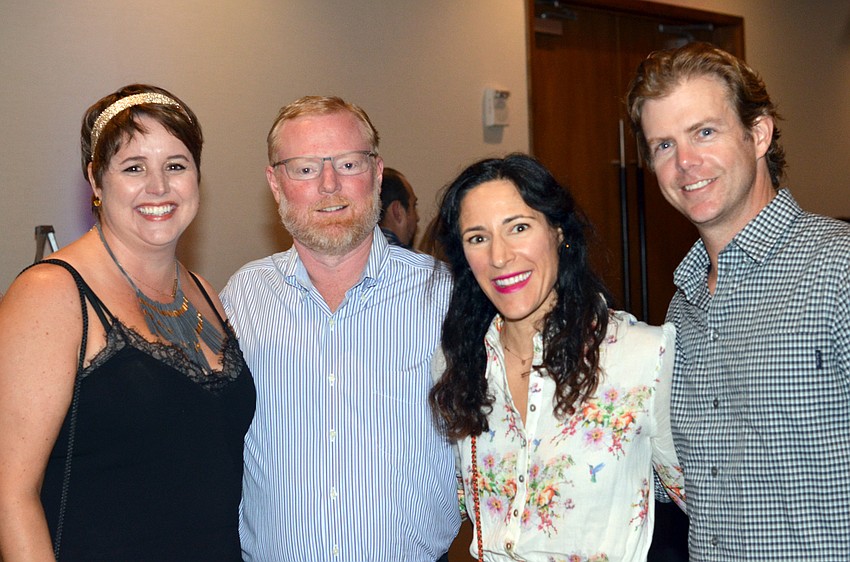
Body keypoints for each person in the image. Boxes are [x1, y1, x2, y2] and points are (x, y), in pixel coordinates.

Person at [0, 85, 255, 560]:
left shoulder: (204, 292)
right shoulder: (50, 295)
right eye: (134, 167)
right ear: (96, 181)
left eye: (175, 166)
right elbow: (9, 495)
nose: (158, 187)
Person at [626, 42, 850, 560]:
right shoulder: (681, 311)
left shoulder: (837, 269)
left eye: (704, 132)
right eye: (663, 145)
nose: (685, 162)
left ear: (758, 134)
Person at [220, 95, 460, 561]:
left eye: (349, 163)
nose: (330, 185)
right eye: (305, 169)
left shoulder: (443, 296)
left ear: (375, 171)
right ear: (275, 183)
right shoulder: (240, 300)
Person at [429, 153, 685, 562]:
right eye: (478, 237)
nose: (499, 256)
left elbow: (708, 505)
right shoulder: (457, 363)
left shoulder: (641, 357)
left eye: (519, 227)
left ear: (558, 232)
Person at [379, 167, 419, 248]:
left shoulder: (351, 256)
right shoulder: (420, 260)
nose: (417, 218)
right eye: (413, 206)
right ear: (397, 211)